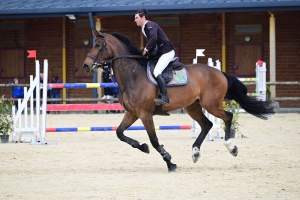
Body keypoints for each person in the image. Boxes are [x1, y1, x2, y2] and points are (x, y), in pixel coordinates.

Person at [134, 8, 175, 106]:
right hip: (161, 53)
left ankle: (164, 97)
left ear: (143, 17)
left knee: (157, 71)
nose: (135, 20)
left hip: (167, 52)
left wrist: (146, 49)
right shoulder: (145, 27)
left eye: (136, 18)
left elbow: (154, 38)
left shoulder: (150, 25)